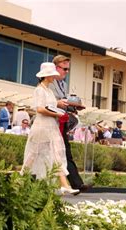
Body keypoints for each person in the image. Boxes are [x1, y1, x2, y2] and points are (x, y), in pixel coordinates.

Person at [21, 62, 79, 195]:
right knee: (33, 155)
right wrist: (57, 114)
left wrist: (58, 109)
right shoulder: (39, 90)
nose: (54, 77)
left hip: (51, 126)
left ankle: (65, 184)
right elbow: (40, 109)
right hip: (42, 126)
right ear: (46, 76)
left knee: (57, 154)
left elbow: (50, 106)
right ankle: (20, 180)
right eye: (52, 75)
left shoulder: (48, 91)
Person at [49, 55, 90, 192]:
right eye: (65, 69)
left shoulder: (63, 84)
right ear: (56, 67)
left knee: (66, 152)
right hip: (50, 123)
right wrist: (59, 103)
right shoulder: (48, 82)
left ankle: (76, 183)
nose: (66, 72)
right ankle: (29, 182)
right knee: (41, 154)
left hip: (60, 122)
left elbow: (63, 102)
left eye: (68, 70)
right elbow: (45, 103)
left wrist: (73, 107)